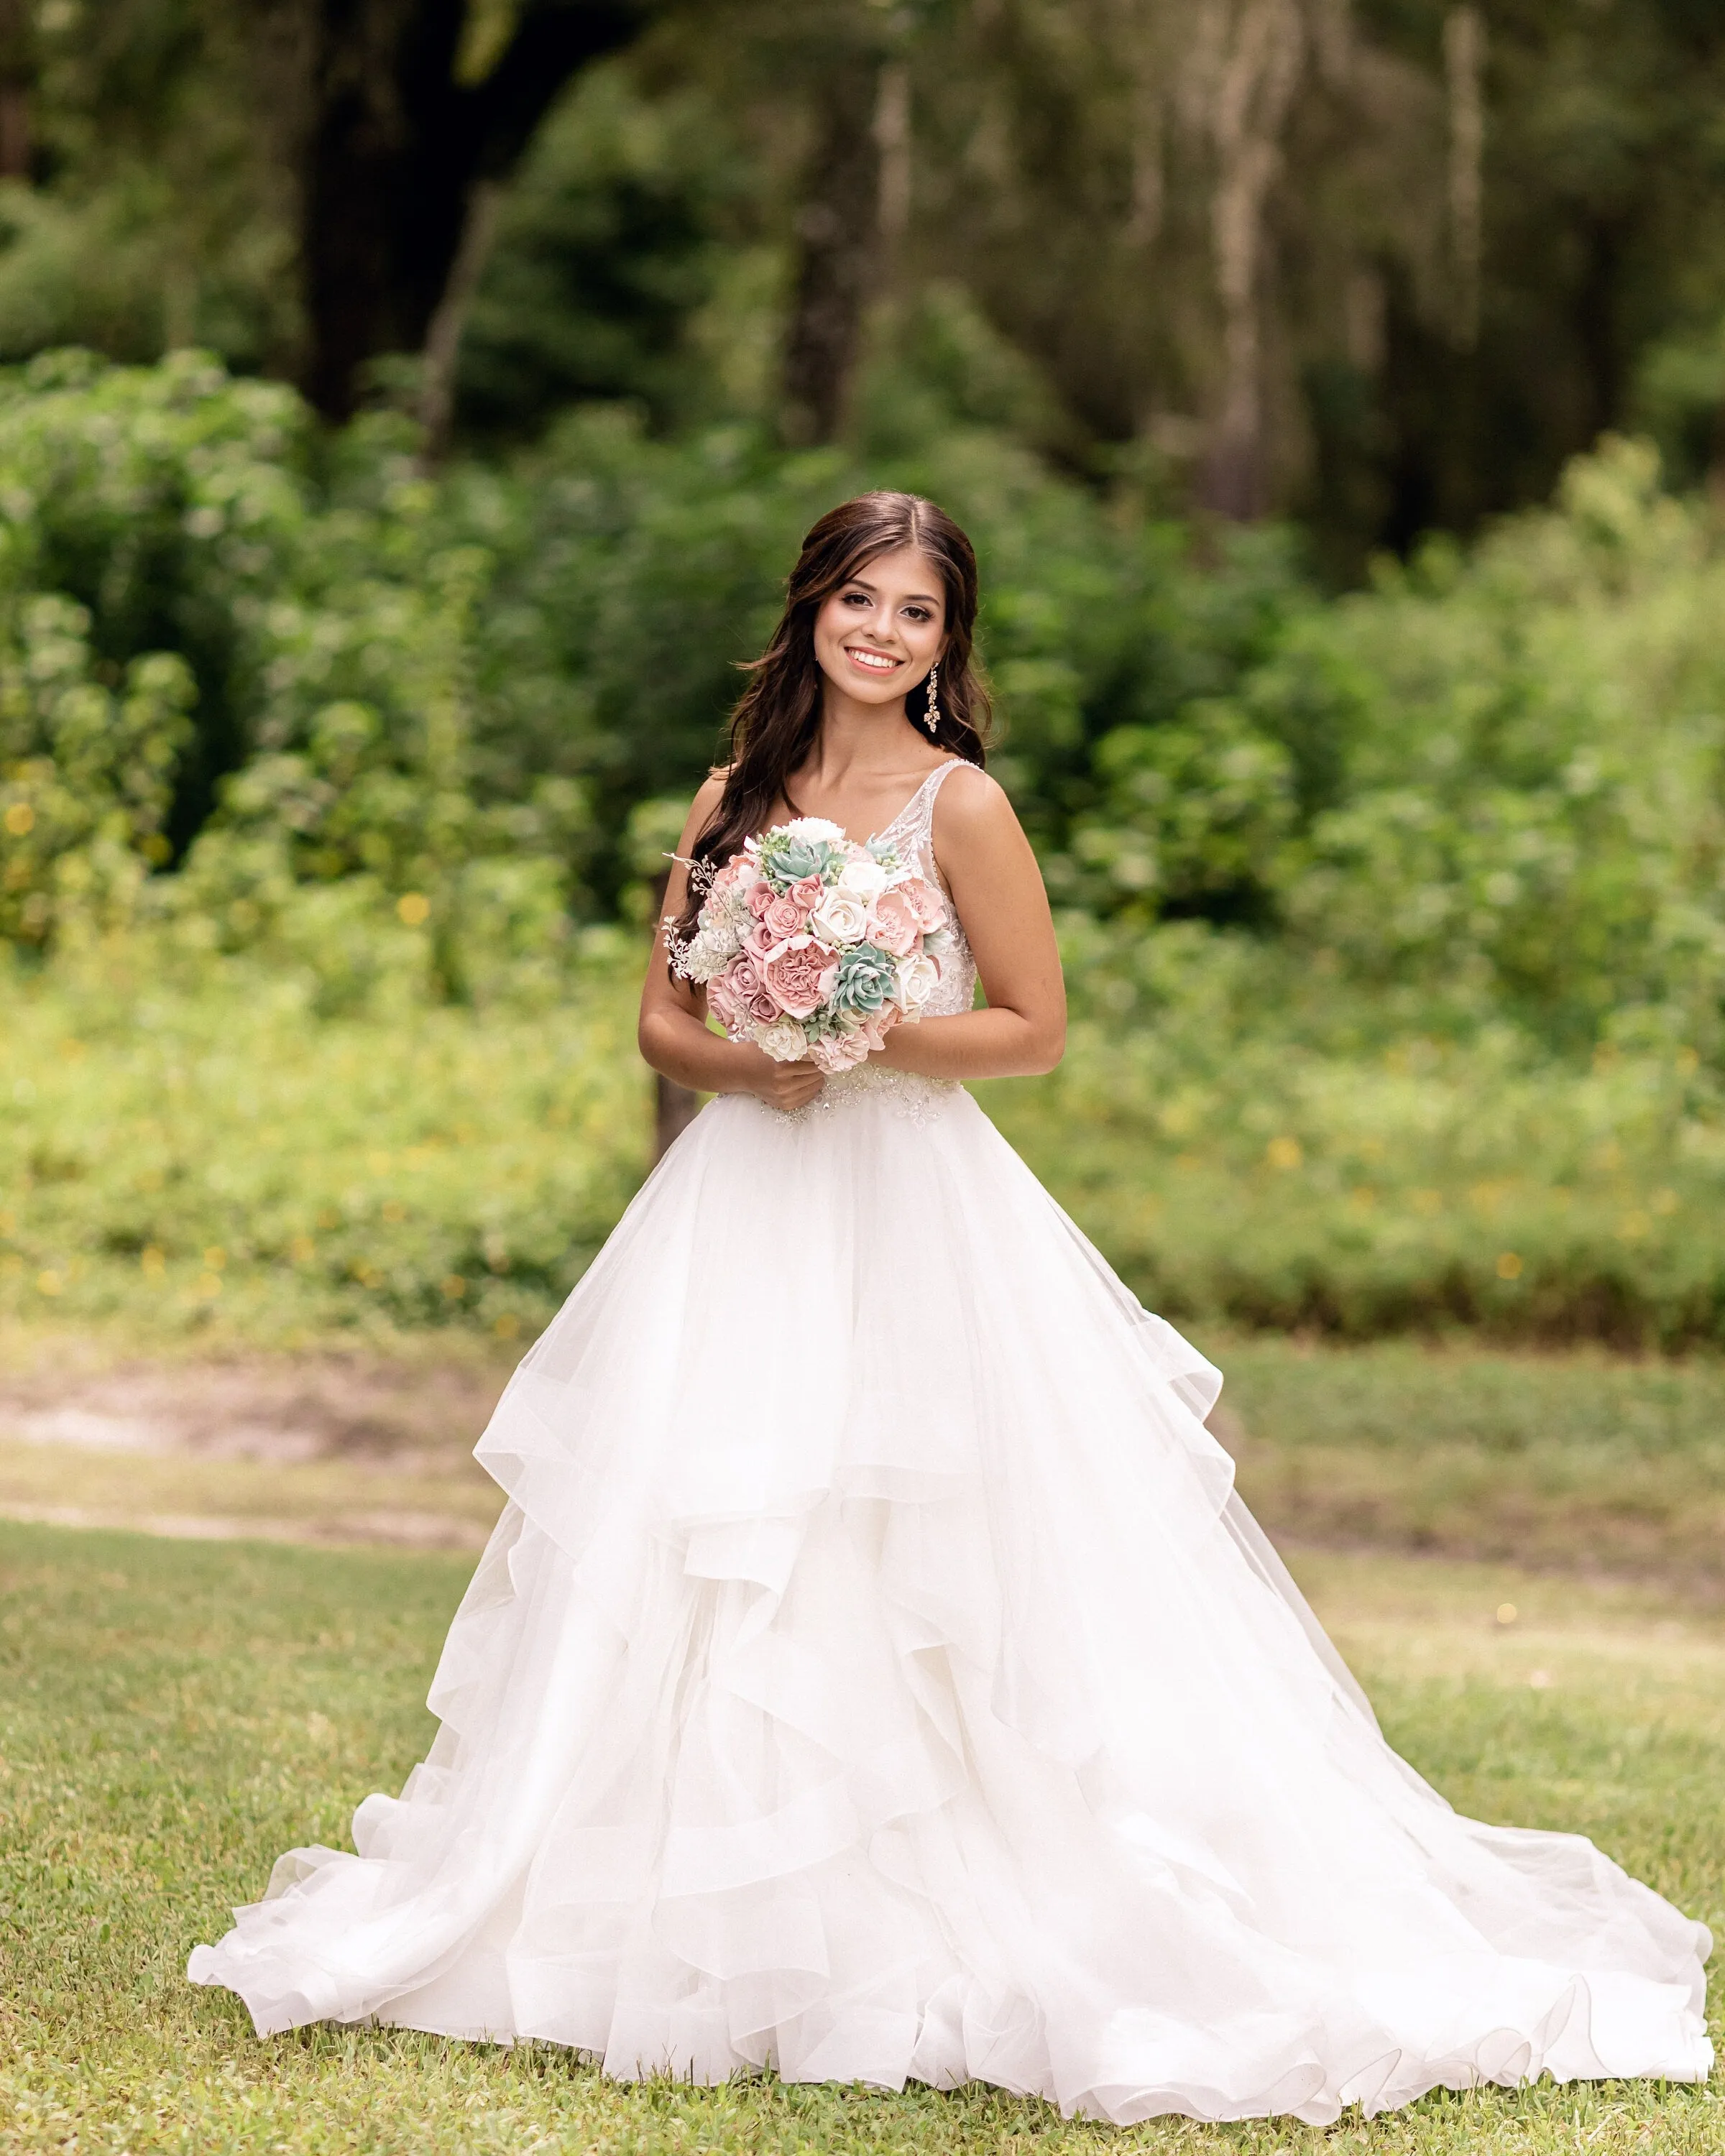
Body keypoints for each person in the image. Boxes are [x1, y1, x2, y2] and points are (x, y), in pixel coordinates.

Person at [190, 492, 1711, 2125]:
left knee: (922, 1545)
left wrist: (865, 1028)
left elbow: (1034, 1027)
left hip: (919, 1206)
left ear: (945, 641)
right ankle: (691, 1916)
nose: (882, 633)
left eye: (915, 612)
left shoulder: (960, 806)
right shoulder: (732, 798)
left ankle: (942, 1912)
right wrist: (754, 1055)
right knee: (723, 1534)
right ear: (811, 608)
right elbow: (661, 1020)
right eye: (858, 600)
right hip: (747, 1202)